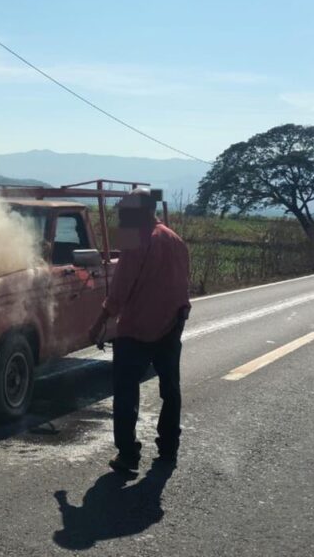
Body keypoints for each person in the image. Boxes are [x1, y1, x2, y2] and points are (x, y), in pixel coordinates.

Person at [88, 189, 191, 473]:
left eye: (125, 209)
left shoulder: (135, 239)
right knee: (170, 390)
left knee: (125, 392)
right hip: (171, 326)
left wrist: (98, 324)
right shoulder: (175, 239)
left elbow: (120, 291)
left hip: (135, 331)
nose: (121, 214)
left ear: (141, 211)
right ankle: (169, 450)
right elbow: (183, 285)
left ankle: (128, 456)